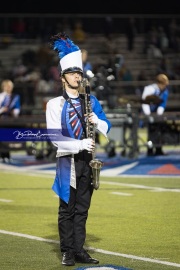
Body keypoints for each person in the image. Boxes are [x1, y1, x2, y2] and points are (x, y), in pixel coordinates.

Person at [46, 33, 112, 267]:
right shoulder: (54, 104)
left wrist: (97, 121)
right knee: (67, 208)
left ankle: (79, 250)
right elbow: (55, 139)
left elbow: (107, 126)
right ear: (63, 77)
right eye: (73, 73)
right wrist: (80, 144)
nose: (77, 76)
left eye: (79, 73)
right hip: (67, 160)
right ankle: (67, 251)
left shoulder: (91, 101)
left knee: (83, 209)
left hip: (87, 160)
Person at [141, 73, 169, 156]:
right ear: (159, 83)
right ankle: (150, 150)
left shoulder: (165, 91)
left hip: (157, 114)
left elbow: (163, 103)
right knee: (151, 132)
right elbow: (145, 103)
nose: (165, 87)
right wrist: (148, 115)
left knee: (160, 130)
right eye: (163, 85)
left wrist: (159, 114)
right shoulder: (149, 89)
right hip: (150, 113)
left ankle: (158, 149)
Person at [0, 79, 21, 162]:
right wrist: (2, 110)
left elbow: (17, 108)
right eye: (7, 86)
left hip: (10, 120)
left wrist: (15, 112)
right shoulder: (1, 96)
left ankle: (7, 156)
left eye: (10, 86)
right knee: (1, 137)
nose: (9, 88)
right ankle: (2, 155)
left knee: (8, 138)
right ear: (4, 87)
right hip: (1, 120)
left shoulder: (15, 97)